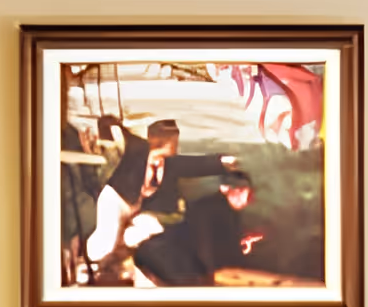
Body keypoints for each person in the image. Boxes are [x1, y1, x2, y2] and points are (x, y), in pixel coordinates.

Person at [85, 119, 237, 268]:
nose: (175, 150)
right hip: (115, 202)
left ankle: (114, 249)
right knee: (107, 244)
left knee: (151, 230)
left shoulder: (167, 163)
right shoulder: (137, 149)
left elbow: (190, 165)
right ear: (158, 143)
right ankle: (91, 259)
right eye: (172, 145)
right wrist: (109, 125)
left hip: (134, 207)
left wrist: (220, 163)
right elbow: (119, 133)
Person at [131, 170, 264, 287]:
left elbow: (219, 247)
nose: (244, 198)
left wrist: (241, 244)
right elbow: (205, 247)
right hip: (163, 259)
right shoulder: (207, 208)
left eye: (247, 193)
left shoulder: (229, 212)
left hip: (174, 262)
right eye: (239, 191)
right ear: (224, 189)